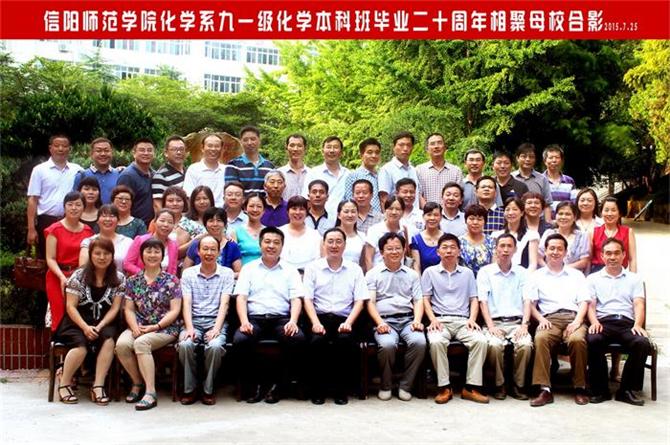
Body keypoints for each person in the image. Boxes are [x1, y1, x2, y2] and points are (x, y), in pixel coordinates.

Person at [233, 227, 306, 404]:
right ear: (260, 245)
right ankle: (254, 385)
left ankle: (279, 385)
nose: (271, 246)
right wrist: (244, 321)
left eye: (276, 242)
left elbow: (296, 299)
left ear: (282, 246)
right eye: (267, 242)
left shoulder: (290, 270)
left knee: (297, 338)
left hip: (281, 319)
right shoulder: (248, 269)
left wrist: (293, 321)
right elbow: (241, 298)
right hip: (255, 319)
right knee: (240, 340)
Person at [54, 238, 124, 405]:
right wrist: (85, 327)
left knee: (109, 340)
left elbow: (115, 308)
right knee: (81, 346)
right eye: (97, 253)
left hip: (104, 321)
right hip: (76, 321)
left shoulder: (119, 278)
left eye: (106, 253)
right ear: (90, 255)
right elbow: (70, 307)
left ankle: (98, 385)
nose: (102, 257)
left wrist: (99, 326)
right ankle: (64, 384)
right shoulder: (78, 276)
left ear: (112, 255)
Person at [303, 228, 368, 405]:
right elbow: (307, 299)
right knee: (317, 341)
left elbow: (360, 300)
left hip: (345, 318)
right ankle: (318, 390)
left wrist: (349, 323)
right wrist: (315, 323)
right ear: (324, 244)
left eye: (339, 241)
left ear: (345, 245)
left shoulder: (354, 269)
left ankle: (341, 390)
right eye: (330, 241)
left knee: (345, 341)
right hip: (319, 317)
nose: (334, 245)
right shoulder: (313, 268)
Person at [421, 233, 489, 404]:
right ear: (438, 252)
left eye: (453, 247)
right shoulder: (429, 272)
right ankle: (444, 387)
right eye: (444, 247)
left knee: (480, 340)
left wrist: (472, 319)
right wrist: (432, 319)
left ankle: (470, 387)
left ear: (459, 251)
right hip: (440, 320)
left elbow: (474, 299)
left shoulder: (467, 273)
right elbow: (425, 299)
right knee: (436, 341)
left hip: (463, 320)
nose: (449, 251)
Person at [115, 238, 182, 411]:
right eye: (148, 251)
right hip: (139, 325)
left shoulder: (172, 280)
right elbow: (129, 309)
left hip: (165, 328)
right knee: (122, 345)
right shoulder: (133, 280)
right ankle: (137, 382)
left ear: (162, 255)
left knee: (141, 343)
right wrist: (134, 327)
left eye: (156, 251)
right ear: (141, 254)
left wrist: (156, 326)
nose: (152, 255)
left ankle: (150, 392)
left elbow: (175, 310)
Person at [525, 233, 591, 407]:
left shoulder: (576, 275)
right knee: (541, 338)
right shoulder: (537, 276)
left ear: (565, 252)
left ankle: (580, 387)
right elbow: (530, 303)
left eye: (559, 249)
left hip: (573, 317)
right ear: (545, 251)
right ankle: (544, 389)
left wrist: (577, 321)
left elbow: (584, 301)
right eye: (551, 248)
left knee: (577, 340)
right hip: (549, 319)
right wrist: (540, 319)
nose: (555, 252)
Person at [586, 238, 652, 406]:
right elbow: (591, 305)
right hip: (603, 322)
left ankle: (626, 390)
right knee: (593, 339)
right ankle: (601, 390)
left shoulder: (634, 279)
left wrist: (638, 325)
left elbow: (638, 304)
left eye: (616, 253)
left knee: (641, 343)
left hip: (626, 323)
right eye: (608, 253)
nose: (612, 257)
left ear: (623, 255)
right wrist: (594, 322)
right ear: (602, 256)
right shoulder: (593, 279)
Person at [366, 232, 426, 401]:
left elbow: (418, 300)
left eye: (398, 248)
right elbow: (370, 302)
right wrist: (379, 322)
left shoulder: (412, 274)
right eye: (389, 249)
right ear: (381, 252)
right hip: (384, 320)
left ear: (404, 250)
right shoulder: (372, 274)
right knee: (387, 345)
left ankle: (405, 385)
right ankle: (386, 385)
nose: (394, 252)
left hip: (407, 319)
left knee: (419, 342)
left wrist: (417, 320)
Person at [178, 236, 235, 405]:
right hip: (193, 320)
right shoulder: (188, 273)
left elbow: (224, 303)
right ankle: (190, 388)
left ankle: (208, 389)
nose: (209, 253)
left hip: (215, 321)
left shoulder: (227, 273)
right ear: (198, 251)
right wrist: (189, 328)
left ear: (218, 252)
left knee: (215, 346)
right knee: (185, 345)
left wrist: (216, 329)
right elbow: (186, 303)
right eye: (205, 249)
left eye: (213, 249)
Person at [477, 233, 532, 400]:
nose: (505, 250)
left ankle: (518, 384)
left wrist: (524, 325)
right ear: (496, 249)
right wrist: (491, 326)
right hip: (494, 322)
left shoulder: (522, 273)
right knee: (494, 345)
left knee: (525, 345)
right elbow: (483, 302)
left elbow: (527, 300)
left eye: (509, 246)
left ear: (515, 249)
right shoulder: (485, 272)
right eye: (502, 246)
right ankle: (499, 384)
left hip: (517, 323)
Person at [44, 192, 95, 331]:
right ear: (64, 207)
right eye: (70, 204)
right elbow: (50, 258)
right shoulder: (54, 229)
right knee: (59, 312)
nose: (74, 208)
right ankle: (57, 341)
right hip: (57, 275)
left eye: (78, 205)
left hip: (80, 277)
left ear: (84, 207)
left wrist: (78, 277)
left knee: (79, 312)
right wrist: (62, 277)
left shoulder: (88, 231)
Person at [27, 134, 83, 259]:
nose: (60, 149)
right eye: (57, 146)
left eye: (64, 146)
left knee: (69, 258)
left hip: (71, 221)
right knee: (46, 258)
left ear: (69, 149)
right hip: (46, 221)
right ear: (50, 148)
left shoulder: (77, 170)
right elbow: (33, 199)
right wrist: (31, 229)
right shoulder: (39, 170)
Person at [183, 207, 242, 276]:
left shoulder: (232, 246)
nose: (215, 224)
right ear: (205, 224)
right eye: (211, 221)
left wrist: (224, 276)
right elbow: (185, 271)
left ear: (225, 224)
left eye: (219, 220)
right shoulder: (196, 244)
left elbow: (239, 273)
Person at [301, 136, 350, 217]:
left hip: (343, 220)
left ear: (341, 152)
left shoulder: (348, 174)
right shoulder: (313, 173)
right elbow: (307, 200)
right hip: (318, 219)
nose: (332, 150)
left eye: (335, 147)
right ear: (322, 151)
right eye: (328, 147)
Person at [363, 196, 413, 271]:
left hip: (399, 274)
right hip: (379, 274)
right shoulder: (374, 230)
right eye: (390, 208)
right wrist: (371, 276)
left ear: (403, 212)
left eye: (398, 209)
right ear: (385, 210)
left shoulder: (404, 230)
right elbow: (368, 258)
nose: (394, 212)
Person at [539, 202, 590, 273]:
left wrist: (561, 270)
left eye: (567, 214)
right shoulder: (548, 233)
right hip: (548, 273)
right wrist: (549, 270)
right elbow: (539, 257)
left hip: (572, 274)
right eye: (560, 214)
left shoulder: (582, 236)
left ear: (575, 217)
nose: (563, 217)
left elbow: (584, 262)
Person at [123, 209, 179, 276]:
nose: (166, 225)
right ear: (154, 222)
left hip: (164, 281)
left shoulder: (173, 245)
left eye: (170, 222)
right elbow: (127, 264)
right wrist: (145, 275)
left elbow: (173, 270)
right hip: (140, 279)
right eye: (162, 221)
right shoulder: (141, 240)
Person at [79, 205, 133, 271]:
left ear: (118, 220)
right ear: (97, 220)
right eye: (104, 216)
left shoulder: (128, 242)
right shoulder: (88, 242)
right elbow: (82, 269)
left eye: (112, 216)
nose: (108, 219)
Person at [225, 126, 275, 197]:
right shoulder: (233, 165)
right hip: (242, 204)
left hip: (264, 204)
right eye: (245, 140)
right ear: (241, 142)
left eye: (253, 139)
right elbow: (232, 193)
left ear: (259, 141)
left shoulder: (269, 166)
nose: (249, 143)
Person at [591, 197, 637, 273]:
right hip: (598, 274)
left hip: (620, 274)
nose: (609, 213)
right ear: (601, 213)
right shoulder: (593, 232)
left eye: (613, 210)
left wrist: (633, 278)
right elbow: (588, 258)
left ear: (619, 213)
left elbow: (632, 259)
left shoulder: (628, 232)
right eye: (606, 210)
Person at [492, 198, 539, 271]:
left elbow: (533, 264)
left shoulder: (532, 235)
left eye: (515, 209)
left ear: (522, 213)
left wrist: (523, 277)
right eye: (507, 209)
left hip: (524, 275)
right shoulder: (496, 235)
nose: (510, 213)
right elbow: (494, 262)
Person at [116, 138, 155, 226]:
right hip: (133, 227)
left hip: (151, 226)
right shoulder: (127, 176)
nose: (146, 153)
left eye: (149, 150)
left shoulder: (154, 174)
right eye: (142, 150)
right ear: (134, 153)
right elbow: (120, 204)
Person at [378, 131, 422, 209]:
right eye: (401, 145)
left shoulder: (413, 170)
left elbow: (418, 195)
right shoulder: (386, 169)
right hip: (396, 215)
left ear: (412, 148)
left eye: (408, 145)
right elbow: (383, 199)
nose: (405, 148)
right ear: (393, 147)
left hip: (415, 215)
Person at [416, 133, 463, 205]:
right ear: (427, 149)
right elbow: (418, 193)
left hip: (449, 211)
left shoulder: (456, 171)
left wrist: (445, 210)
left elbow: (459, 195)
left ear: (445, 147)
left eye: (439, 143)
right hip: (426, 211)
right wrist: (429, 210)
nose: (436, 146)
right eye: (432, 144)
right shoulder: (419, 170)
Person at [279, 196, 322, 272]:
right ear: (287, 212)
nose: (297, 212)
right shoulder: (279, 233)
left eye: (301, 209)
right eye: (294, 208)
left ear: (306, 212)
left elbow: (318, 260)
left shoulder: (315, 235)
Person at [512, 143, 553, 222]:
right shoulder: (511, 178)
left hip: (538, 222)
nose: (528, 159)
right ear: (517, 158)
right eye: (524, 156)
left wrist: (548, 223)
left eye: (531, 157)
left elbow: (547, 204)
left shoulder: (542, 179)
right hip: (515, 222)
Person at [72, 137, 119, 205]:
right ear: (91, 154)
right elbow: (75, 201)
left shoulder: (120, 174)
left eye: (106, 150)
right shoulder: (82, 176)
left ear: (112, 153)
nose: (103, 154)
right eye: (98, 151)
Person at [183, 133, 226, 207]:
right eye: (210, 146)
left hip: (222, 212)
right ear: (202, 148)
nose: (213, 149)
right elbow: (189, 195)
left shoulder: (226, 170)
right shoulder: (193, 169)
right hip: (201, 210)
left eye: (217, 146)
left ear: (222, 149)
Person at [344, 138, 382, 213]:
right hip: (361, 218)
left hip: (380, 218)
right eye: (370, 152)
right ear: (361, 155)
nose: (374, 155)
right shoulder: (353, 176)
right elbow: (350, 201)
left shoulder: (381, 175)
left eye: (377, 152)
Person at [152, 135, 186, 214]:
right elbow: (157, 205)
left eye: (181, 149)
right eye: (174, 149)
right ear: (166, 153)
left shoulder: (189, 172)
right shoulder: (160, 176)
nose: (178, 152)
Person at [458, 204, 495, 277]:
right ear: (465, 220)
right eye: (471, 219)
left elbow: (494, 266)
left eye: (479, 219)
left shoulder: (491, 242)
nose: (475, 222)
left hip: (486, 280)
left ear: (485, 222)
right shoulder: (458, 242)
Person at [175, 186, 211, 255]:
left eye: (205, 198)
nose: (202, 202)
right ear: (192, 202)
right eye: (197, 199)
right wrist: (196, 240)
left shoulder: (218, 220)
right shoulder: (186, 223)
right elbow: (177, 252)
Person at [410, 202, 444, 273]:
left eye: (436, 215)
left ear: (441, 217)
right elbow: (417, 266)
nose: (432, 218)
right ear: (423, 216)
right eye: (429, 215)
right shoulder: (416, 240)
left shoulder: (446, 239)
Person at [232, 193, 265, 265]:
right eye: (251, 206)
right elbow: (234, 258)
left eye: (259, 206)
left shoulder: (268, 232)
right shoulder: (236, 232)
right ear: (245, 209)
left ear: (264, 210)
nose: (255, 210)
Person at [542, 144, 577, 212]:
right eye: (551, 157)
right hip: (545, 218)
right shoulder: (539, 180)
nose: (554, 160)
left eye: (557, 157)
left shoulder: (569, 181)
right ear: (545, 161)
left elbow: (573, 203)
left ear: (561, 161)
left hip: (565, 217)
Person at [278, 134, 310, 201]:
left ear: (305, 148)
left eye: (299, 146)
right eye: (292, 145)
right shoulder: (279, 174)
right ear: (286, 148)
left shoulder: (312, 174)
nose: (295, 149)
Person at [335, 200, 366, 266]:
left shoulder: (363, 237)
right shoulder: (331, 235)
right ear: (338, 215)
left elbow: (363, 264)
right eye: (346, 212)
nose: (350, 215)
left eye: (353, 212)